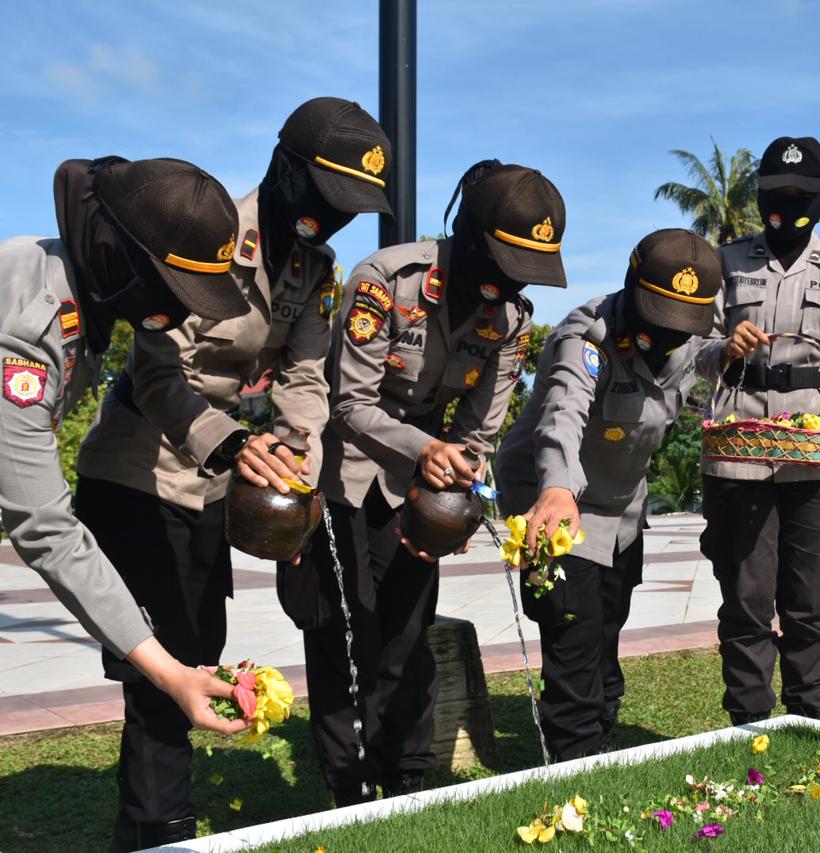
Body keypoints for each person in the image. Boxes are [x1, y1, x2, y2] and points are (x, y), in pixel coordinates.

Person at [74, 98, 392, 850]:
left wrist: (293, 453)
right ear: (287, 172)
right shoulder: (207, 233)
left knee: (196, 645)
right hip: (142, 469)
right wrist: (229, 442)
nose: (332, 221)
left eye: (350, 210)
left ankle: (158, 821)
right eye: (327, 200)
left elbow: (308, 375)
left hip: (217, 477)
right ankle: (159, 831)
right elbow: (157, 371)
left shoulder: (313, 270)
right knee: (163, 662)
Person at [298, 161, 563, 805]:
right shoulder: (387, 280)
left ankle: (406, 774)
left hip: (420, 476)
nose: (511, 284)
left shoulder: (511, 322)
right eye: (504, 264)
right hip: (343, 470)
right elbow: (348, 404)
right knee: (342, 631)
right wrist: (429, 452)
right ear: (470, 236)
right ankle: (350, 786)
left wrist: (458, 501)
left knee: (409, 630)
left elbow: (479, 434)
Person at [0, 157, 251, 742]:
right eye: (177, 291)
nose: (185, 312)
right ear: (122, 258)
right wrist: (169, 673)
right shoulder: (28, 331)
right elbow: (44, 527)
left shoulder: (78, 291)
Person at [495, 228, 723, 761]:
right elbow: (563, 418)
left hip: (620, 508)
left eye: (681, 324)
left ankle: (603, 737)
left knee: (608, 626)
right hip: (554, 501)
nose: (670, 334)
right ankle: (575, 763)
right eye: (659, 320)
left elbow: (699, 355)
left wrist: (728, 351)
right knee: (573, 633)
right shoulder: (587, 336)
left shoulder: (683, 332)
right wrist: (555, 490)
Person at [695, 136, 820, 725]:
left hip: (818, 464)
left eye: (800, 197)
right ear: (760, 197)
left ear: (819, 199)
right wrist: (724, 347)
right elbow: (689, 350)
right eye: (777, 196)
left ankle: (810, 727)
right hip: (738, 459)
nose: (787, 207)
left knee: (809, 607)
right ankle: (747, 729)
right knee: (745, 605)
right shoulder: (725, 264)